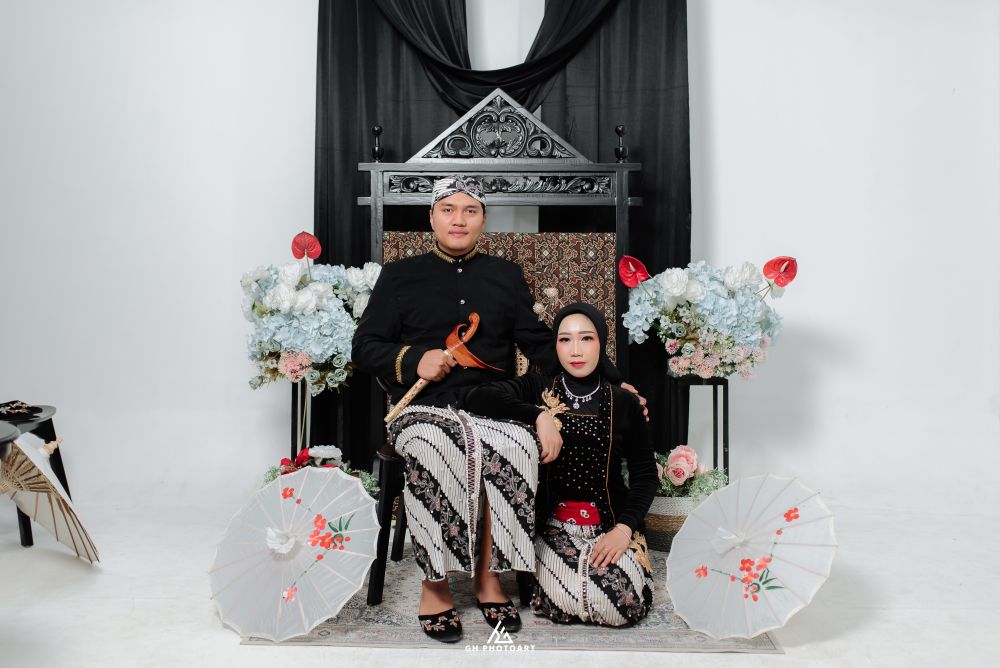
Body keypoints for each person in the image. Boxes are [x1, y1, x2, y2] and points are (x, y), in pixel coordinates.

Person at [352, 175, 561, 642]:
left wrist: (609, 380)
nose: (459, 219)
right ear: (432, 217)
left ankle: (489, 577)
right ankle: (436, 584)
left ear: (483, 219)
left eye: (470, 210)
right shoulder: (399, 276)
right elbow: (364, 347)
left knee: (514, 445)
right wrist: (413, 359)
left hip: (493, 406)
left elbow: (540, 344)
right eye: (448, 209)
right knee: (436, 446)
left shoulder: (505, 275)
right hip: (422, 410)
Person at [465, 302, 658, 626]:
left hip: (610, 526)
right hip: (552, 528)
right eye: (565, 340)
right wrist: (538, 416)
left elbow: (645, 474)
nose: (576, 350)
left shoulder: (624, 401)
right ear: (555, 346)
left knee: (622, 603)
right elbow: (477, 396)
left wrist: (624, 530)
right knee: (576, 594)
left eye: (586, 338)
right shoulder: (539, 389)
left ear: (601, 343)